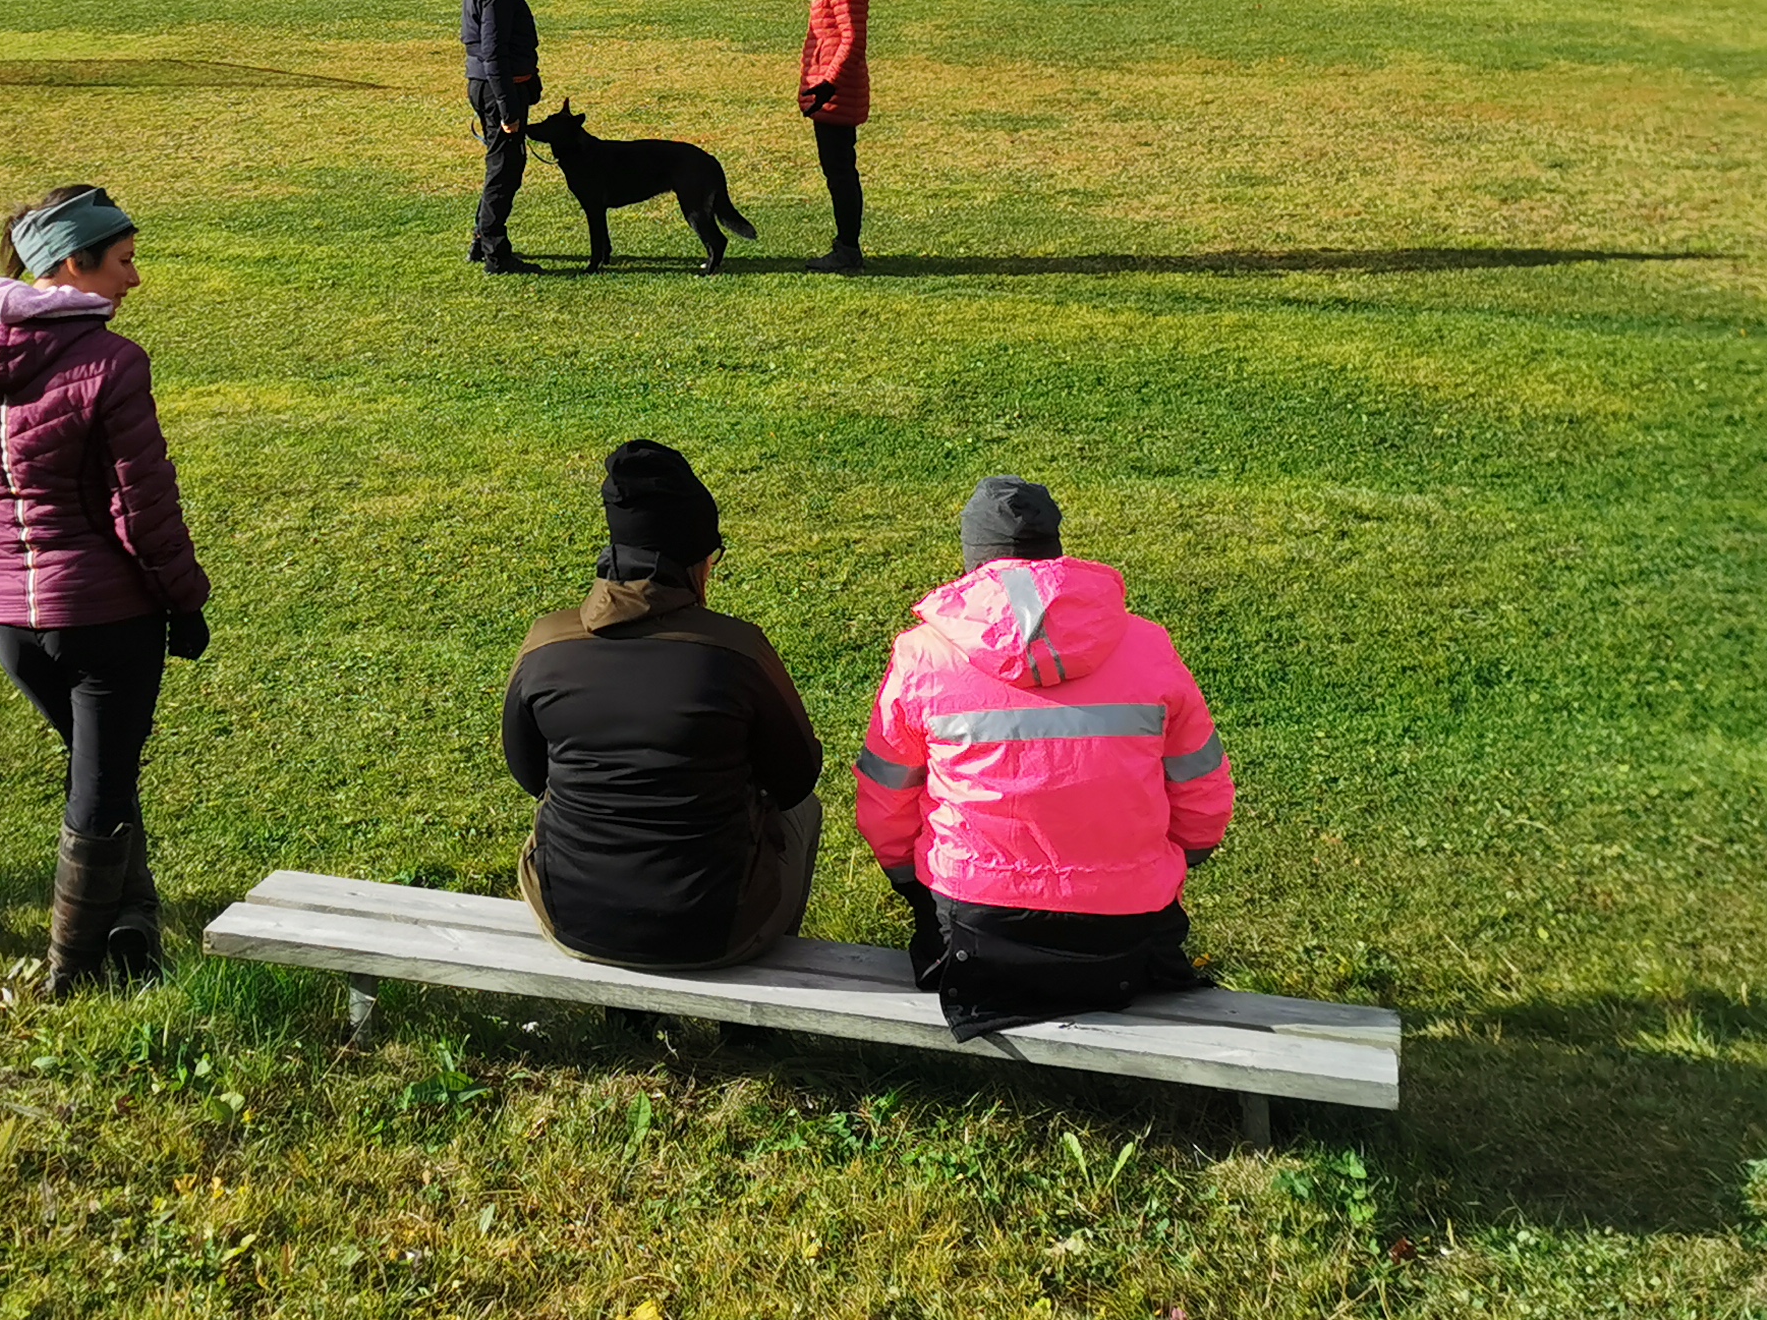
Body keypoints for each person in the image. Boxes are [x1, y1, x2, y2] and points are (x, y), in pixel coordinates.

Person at [0, 183, 212, 993]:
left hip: (7, 619)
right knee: (100, 790)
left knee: (100, 773)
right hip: (104, 619)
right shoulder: (112, 362)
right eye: (123, 261)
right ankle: (73, 975)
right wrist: (184, 601)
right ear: (72, 264)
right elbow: (142, 507)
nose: (135, 279)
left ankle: (134, 930)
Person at [852, 479, 1234, 1034]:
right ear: (1055, 549)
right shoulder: (1149, 645)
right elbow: (1201, 784)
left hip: (973, 921)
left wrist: (907, 877)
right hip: (1127, 924)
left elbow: (887, 794)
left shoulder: (923, 656)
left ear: (971, 556)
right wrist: (1179, 860)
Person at [502, 440, 822, 970]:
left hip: (572, 919)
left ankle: (623, 993)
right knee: (804, 814)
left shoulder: (545, 643)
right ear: (696, 563)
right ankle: (759, 992)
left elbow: (530, 773)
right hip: (717, 931)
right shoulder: (738, 650)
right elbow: (796, 780)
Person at [451, 0, 544, 275]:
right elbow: (493, 51)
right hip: (497, 90)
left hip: (489, 85)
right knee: (505, 169)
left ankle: (482, 239)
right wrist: (508, 108)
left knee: (502, 165)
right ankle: (495, 253)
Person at [794, 0, 875, 271]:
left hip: (837, 93)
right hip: (829, 90)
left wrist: (828, 83)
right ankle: (846, 247)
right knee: (838, 170)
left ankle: (847, 250)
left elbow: (852, 38)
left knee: (840, 172)